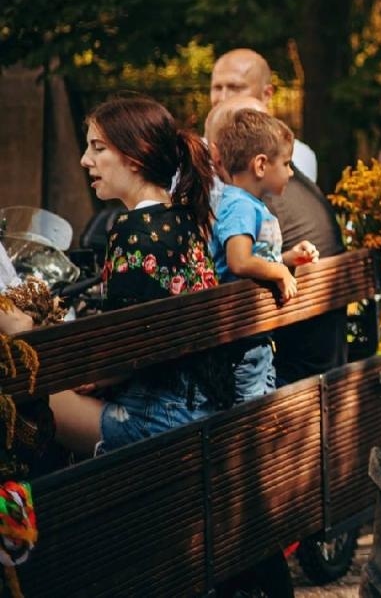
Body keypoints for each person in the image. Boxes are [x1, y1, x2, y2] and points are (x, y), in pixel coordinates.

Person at [44, 96, 238, 455]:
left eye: (97, 148)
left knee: (32, 397)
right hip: (200, 404)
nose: (85, 160)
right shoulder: (184, 215)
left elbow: (122, 356)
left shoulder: (134, 230)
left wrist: (91, 376)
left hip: (158, 418)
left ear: (134, 157)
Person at [208, 97, 347, 383]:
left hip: (254, 327)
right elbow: (239, 260)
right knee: (251, 402)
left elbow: (255, 256)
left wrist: (288, 258)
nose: (291, 172)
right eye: (286, 163)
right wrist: (280, 271)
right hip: (240, 332)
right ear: (260, 165)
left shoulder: (253, 204)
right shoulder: (240, 206)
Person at [209, 48, 319, 184]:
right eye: (217, 88)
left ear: (266, 94)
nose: (223, 98)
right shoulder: (191, 155)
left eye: (235, 87)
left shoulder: (295, 155)